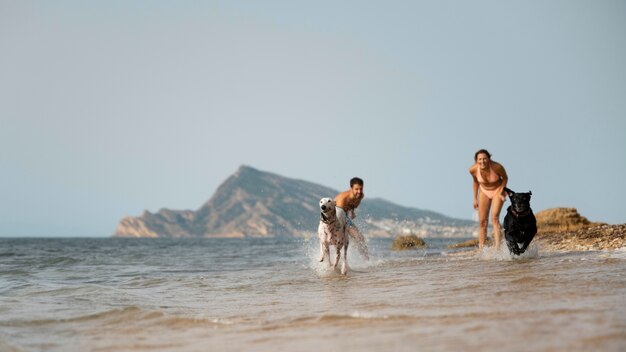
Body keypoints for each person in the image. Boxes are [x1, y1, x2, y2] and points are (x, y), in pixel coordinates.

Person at [468, 149, 508, 251]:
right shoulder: (473, 170)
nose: (482, 161)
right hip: (484, 191)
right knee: (482, 222)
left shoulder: (496, 167)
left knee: (494, 217)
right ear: (476, 160)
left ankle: (497, 248)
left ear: (489, 159)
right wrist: (474, 198)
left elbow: (505, 178)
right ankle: (481, 249)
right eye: (480, 159)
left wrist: (501, 192)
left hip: (498, 190)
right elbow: (476, 182)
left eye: (485, 159)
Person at [335, 177, 369, 260]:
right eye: (356, 189)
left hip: (345, 214)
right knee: (356, 237)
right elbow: (337, 213)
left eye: (361, 189)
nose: (359, 191)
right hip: (336, 213)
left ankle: (366, 260)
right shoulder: (342, 198)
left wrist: (352, 211)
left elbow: (352, 205)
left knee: (360, 238)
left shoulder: (360, 195)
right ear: (351, 188)